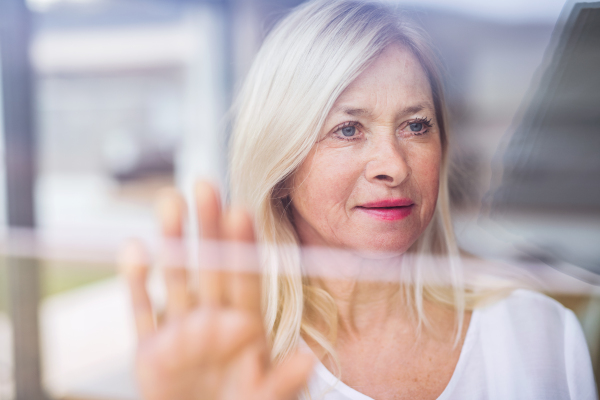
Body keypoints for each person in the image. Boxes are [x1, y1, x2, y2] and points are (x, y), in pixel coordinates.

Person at [119, 0, 598, 399]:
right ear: (282, 164)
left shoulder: (539, 337)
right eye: (348, 129)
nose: (394, 163)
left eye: (415, 125)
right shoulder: (227, 364)